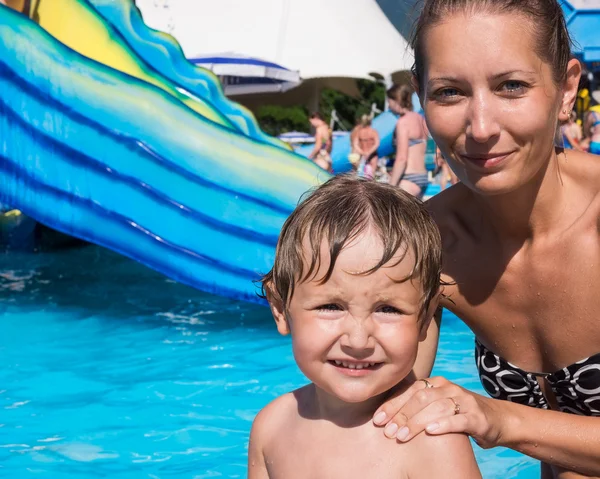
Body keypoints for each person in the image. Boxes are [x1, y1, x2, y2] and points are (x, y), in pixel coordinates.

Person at [369, 1, 600, 477]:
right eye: (450, 92)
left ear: (566, 89)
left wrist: (500, 419)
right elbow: (380, 416)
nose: (480, 128)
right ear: (421, 98)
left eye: (511, 86)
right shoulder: (426, 247)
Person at [248, 175, 481, 479]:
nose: (358, 340)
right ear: (280, 309)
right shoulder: (271, 427)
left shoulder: (430, 438)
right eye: (330, 306)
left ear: (425, 319)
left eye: (388, 309)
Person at [386, 84, 430, 198]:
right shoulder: (421, 120)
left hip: (408, 178)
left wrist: (390, 187)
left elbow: (402, 158)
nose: (388, 106)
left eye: (389, 101)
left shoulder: (403, 123)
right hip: (423, 177)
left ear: (396, 100)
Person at [353, 115, 380, 179]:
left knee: (361, 174)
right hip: (373, 155)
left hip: (363, 155)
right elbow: (377, 144)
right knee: (372, 174)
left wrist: (363, 152)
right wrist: (369, 152)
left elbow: (355, 144)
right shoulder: (373, 132)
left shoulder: (359, 132)